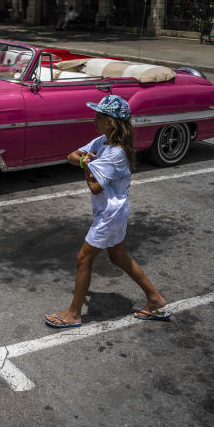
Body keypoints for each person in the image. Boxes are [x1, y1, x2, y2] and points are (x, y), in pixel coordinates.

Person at [44, 95, 169, 328]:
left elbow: (95, 187)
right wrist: (84, 162)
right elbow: (71, 156)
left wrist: (87, 164)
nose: (94, 120)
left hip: (110, 214)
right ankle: (155, 298)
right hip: (112, 211)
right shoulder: (102, 141)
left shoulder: (115, 153)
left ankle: (73, 313)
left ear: (111, 123)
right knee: (117, 256)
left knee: (83, 259)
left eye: (99, 117)